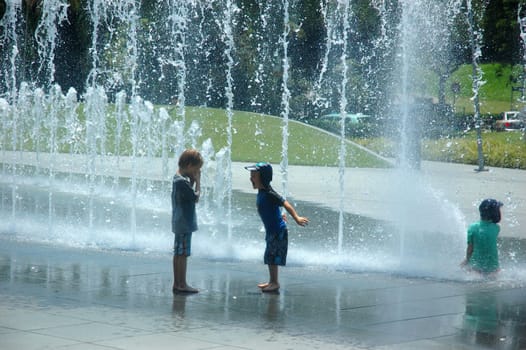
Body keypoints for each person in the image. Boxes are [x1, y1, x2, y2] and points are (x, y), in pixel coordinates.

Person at [245, 162, 309, 292]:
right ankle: (272, 281)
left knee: (272, 256)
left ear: (263, 177)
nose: (251, 178)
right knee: (269, 256)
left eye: (253, 175)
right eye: (251, 175)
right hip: (272, 230)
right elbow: (273, 207)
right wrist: (280, 215)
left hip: (277, 230)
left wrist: (296, 218)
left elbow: (285, 203)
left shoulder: (269, 193)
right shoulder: (262, 192)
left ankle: (275, 282)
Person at [172, 149, 203, 293]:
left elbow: (187, 196)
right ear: (190, 166)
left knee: (178, 253)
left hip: (178, 221)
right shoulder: (182, 182)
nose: (197, 172)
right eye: (197, 169)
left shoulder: (177, 178)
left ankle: (177, 283)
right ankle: (182, 284)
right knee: (183, 254)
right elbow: (195, 197)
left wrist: (191, 180)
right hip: (185, 223)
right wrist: (197, 182)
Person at [461, 198, 503, 276]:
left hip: (476, 266)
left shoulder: (472, 227)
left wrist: (466, 260)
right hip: (493, 267)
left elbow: (470, 248)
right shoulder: (496, 228)